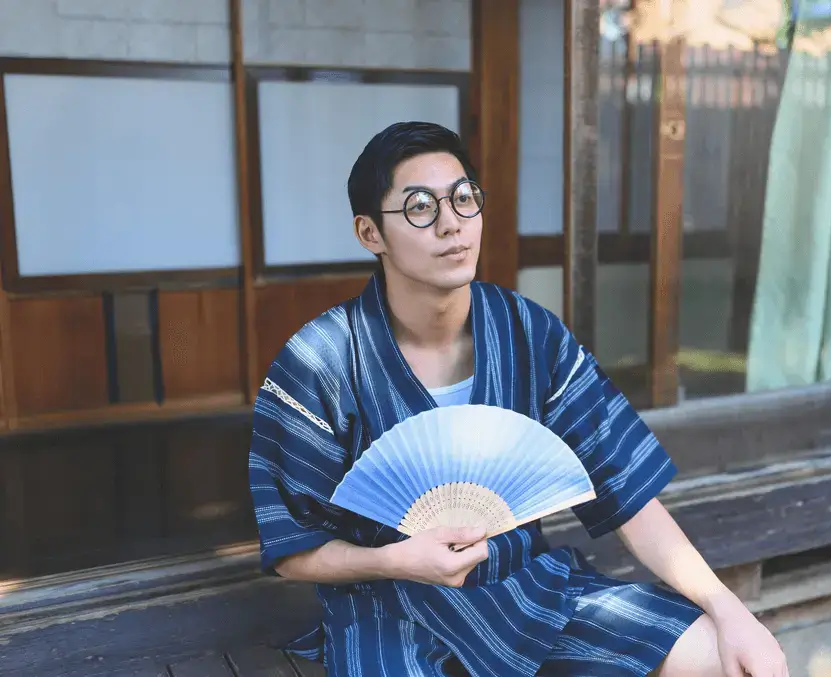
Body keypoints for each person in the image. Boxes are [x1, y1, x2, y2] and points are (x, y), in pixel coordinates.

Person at [248, 121, 789, 677]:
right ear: (370, 233)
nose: (451, 225)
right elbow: (292, 548)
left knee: (719, 659)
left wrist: (728, 609)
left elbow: (624, 489)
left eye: (464, 199)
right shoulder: (321, 362)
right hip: (389, 605)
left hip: (525, 591)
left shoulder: (528, 334)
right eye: (419, 207)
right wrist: (393, 559)